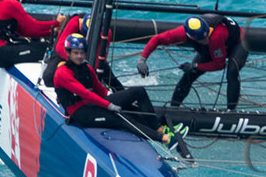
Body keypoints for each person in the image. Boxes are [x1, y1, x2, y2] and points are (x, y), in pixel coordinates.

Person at [52, 34, 185, 150]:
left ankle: (159, 127)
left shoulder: (87, 68)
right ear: (68, 53)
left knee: (138, 92)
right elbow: (85, 94)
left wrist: (122, 100)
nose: (80, 56)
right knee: (119, 118)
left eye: (82, 52)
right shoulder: (62, 73)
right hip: (81, 114)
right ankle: (163, 138)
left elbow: (101, 91)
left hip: (93, 105)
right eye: (76, 53)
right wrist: (109, 105)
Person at [136, 14, 246, 109]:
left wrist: (195, 65)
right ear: (191, 37)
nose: (205, 40)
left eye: (206, 36)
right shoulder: (183, 33)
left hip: (238, 43)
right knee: (188, 75)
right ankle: (174, 108)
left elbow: (220, 64)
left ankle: (231, 111)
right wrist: (142, 60)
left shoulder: (215, 36)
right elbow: (157, 39)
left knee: (232, 71)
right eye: (202, 40)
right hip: (213, 47)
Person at [42, 14, 121, 91]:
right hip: (68, 51)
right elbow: (60, 47)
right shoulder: (74, 22)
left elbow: (101, 57)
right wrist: (74, 62)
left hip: (89, 54)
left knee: (111, 81)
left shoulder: (106, 34)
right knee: (48, 78)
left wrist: (89, 70)